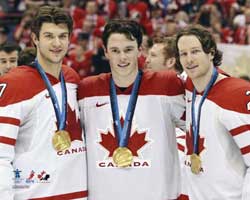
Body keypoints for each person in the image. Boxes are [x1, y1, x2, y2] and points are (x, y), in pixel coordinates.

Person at [78, 19, 186, 200]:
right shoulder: (86, 90)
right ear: (105, 52)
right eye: (115, 51)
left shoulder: (167, 85)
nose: (122, 58)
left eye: (128, 49)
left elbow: (197, 125)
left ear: (139, 50)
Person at [0, 6, 87, 199]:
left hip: (78, 194)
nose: (57, 43)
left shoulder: (72, 78)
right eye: (49, 36)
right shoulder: (14, 83)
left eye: (62, 36)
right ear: (35, 39)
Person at [176, 24, 250, 200]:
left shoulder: (238, 95)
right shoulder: (187, 86)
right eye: (183, 54)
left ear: (210, 53)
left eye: (195, 51)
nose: (189, 59)